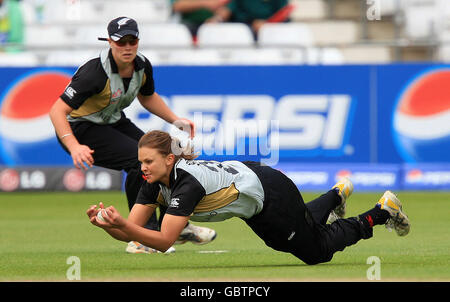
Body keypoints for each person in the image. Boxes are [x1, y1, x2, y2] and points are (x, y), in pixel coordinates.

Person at [87, 130, 411, 264]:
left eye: (148, 161)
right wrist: (107, 224)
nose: (141, 168)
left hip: (270, 193)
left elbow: (162, 240)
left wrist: (119, 226)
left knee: (317, 252)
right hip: (255, 185)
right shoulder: (152, 182)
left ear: (169, 160)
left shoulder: (185, 184)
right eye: (141, 162)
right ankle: (335, 195)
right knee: (299, 231)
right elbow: (134, 231)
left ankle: (382, 210)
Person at [49, 17, 216, 254]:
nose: (127, 47)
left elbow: (147, 96)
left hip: (113, 120)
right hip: (79, 129)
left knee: (164, 159)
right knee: (141, 164)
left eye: (132, 40)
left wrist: (174, 120)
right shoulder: (94, 73)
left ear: (138, 41)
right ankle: (141, 237)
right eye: (120, 42)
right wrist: (74, 146)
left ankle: (174, 226)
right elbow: (57, 111)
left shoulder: (142, 65)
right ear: (109, 42)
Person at [207, 0, 289, 35]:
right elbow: (229, 9)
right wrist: (217, 19)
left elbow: (283, 13)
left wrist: (267, 24)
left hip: (272, 30)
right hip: (244, 28)